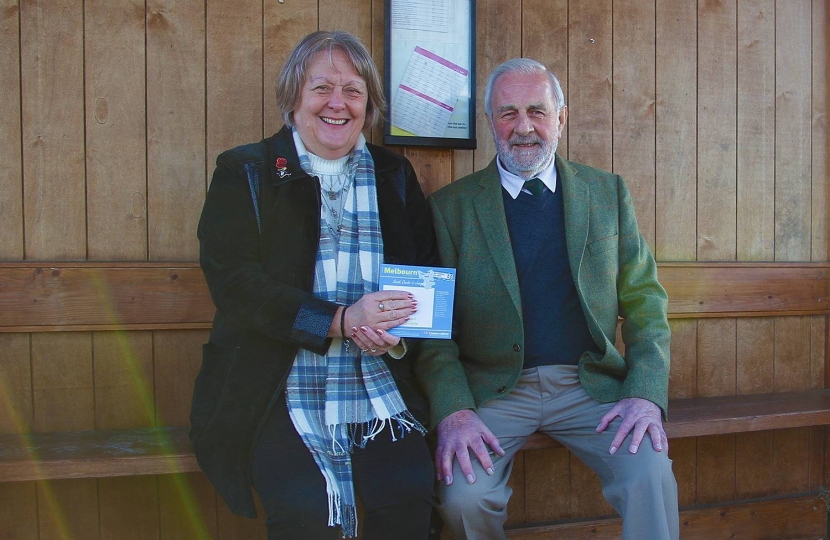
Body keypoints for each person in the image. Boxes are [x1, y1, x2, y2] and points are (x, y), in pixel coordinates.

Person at [414, 58, 679, 540]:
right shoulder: (450, 208)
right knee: (463, 499)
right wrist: (453, 410)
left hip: (589, 385)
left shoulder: (607, 194)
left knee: (650, 474)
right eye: (507, 113)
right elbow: (434, 332)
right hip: (494, 390)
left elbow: (645, 304)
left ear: (561, 118)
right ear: (491, 122)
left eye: (537, 111)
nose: (523, 127)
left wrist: (644, 392)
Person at [190, 30, 439, 540]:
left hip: (379, 383)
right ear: (293, 97)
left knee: (410, 498)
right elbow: (234, 283)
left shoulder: (393, 173)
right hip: (275, 383)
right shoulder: (247, 171)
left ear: (368, 105)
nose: (337, 103)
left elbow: (424, 270)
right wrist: (340, 321)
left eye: (353, 90)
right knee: (307, 512)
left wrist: (399, 327)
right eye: (321, 87)